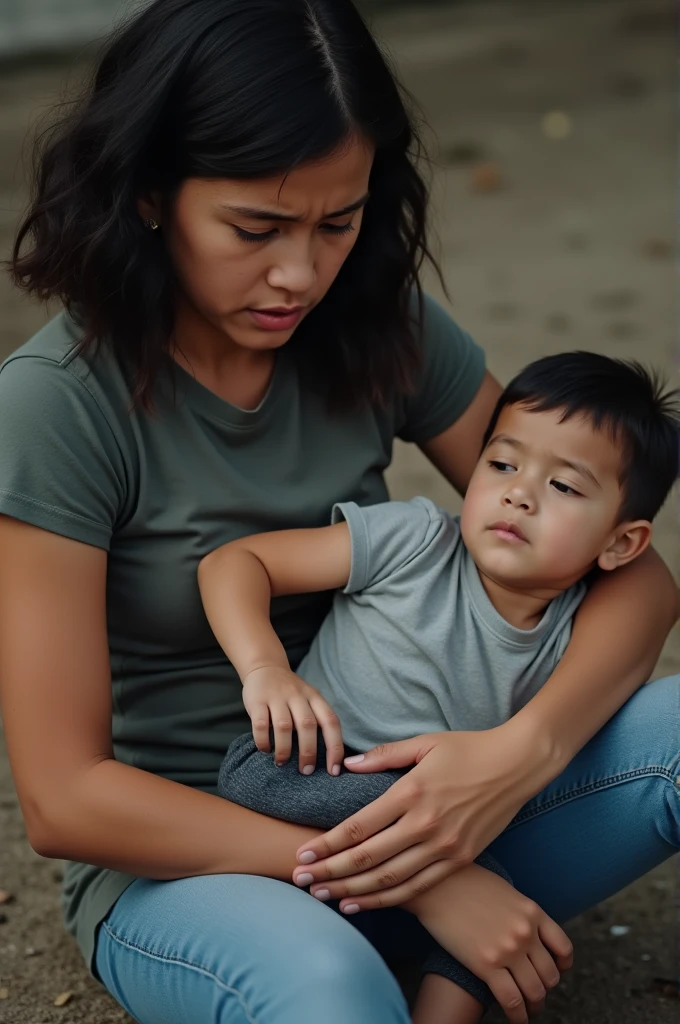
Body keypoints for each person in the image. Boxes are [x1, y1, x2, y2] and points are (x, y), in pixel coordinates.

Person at [0, 2, 677, 1023]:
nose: (300, 275)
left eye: (338, 222)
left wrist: (517, 754)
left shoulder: (374, 322)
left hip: (436, 816)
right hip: (199, 865)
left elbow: (631, 574)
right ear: (147, 193)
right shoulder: (55, 405)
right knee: (333, 991)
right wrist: (417, 876)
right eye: (255, 228)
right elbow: (65, 799)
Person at [200, 351, 679, 1024]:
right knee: (475, 869)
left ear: (622, 544)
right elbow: (236, 562)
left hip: (436, 827)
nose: (520, 493)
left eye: (565, 487)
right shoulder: (415, 540)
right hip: (289, 777)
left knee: (499, 889)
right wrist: (264, 668)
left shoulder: (581, 633)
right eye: (503, 464)